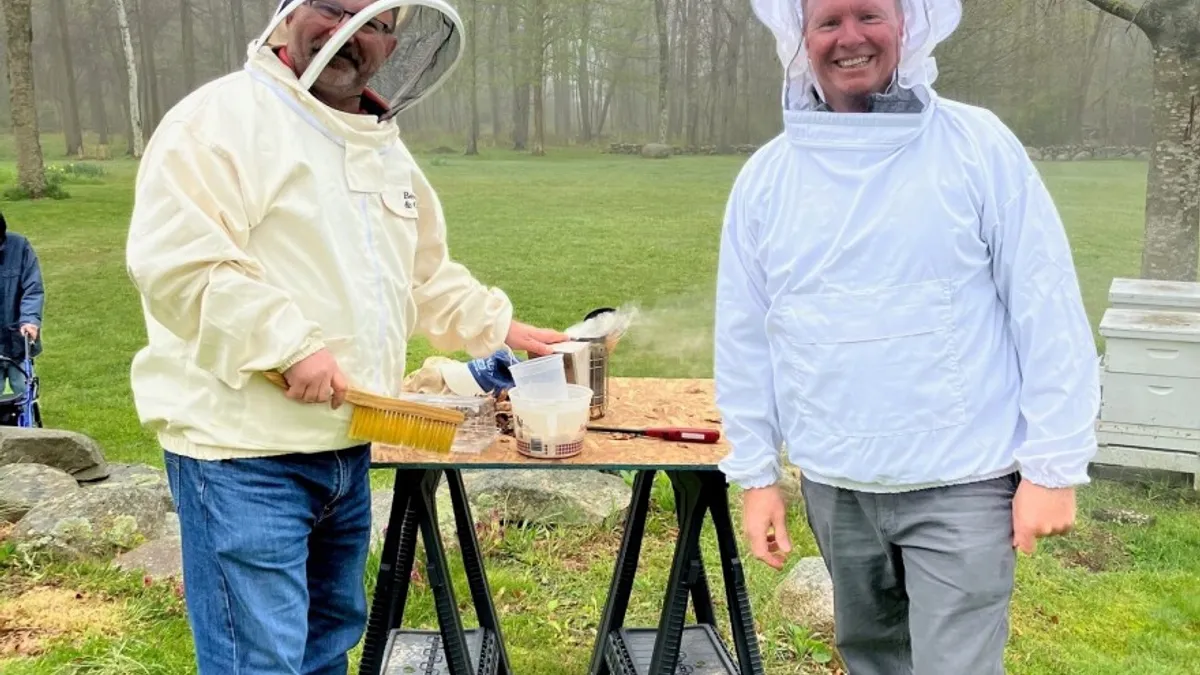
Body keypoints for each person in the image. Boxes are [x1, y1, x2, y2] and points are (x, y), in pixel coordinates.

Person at [124, 1, 566, 673]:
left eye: (380, 24)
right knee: (261, 663)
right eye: (335, 9)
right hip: (245, 456)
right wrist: (288, 345)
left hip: (348, 444)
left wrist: (498, 325)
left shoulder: (378, 142)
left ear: (395, 46)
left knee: (328, 649)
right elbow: (181, 262)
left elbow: (419, 272)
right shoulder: (219, 122)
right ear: (286, 15)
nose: (353, 36)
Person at [712, 0, 1100, 673]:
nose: (850, 38)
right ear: (799, 37)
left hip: (963, 479)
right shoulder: (767, 180)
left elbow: (1046, 304)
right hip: (838, 483)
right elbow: (746, 334)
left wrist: (1054, 465)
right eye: (829, 21)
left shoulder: (978, 147)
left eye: (869, 15)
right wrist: (756, 474)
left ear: (908, 26)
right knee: (873, 659)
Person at [0, 211, 43, 397]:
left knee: (24, 395)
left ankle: (29, 426)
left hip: (17, 339)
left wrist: (30, 320)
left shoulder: (19, 246)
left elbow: (32, 289)